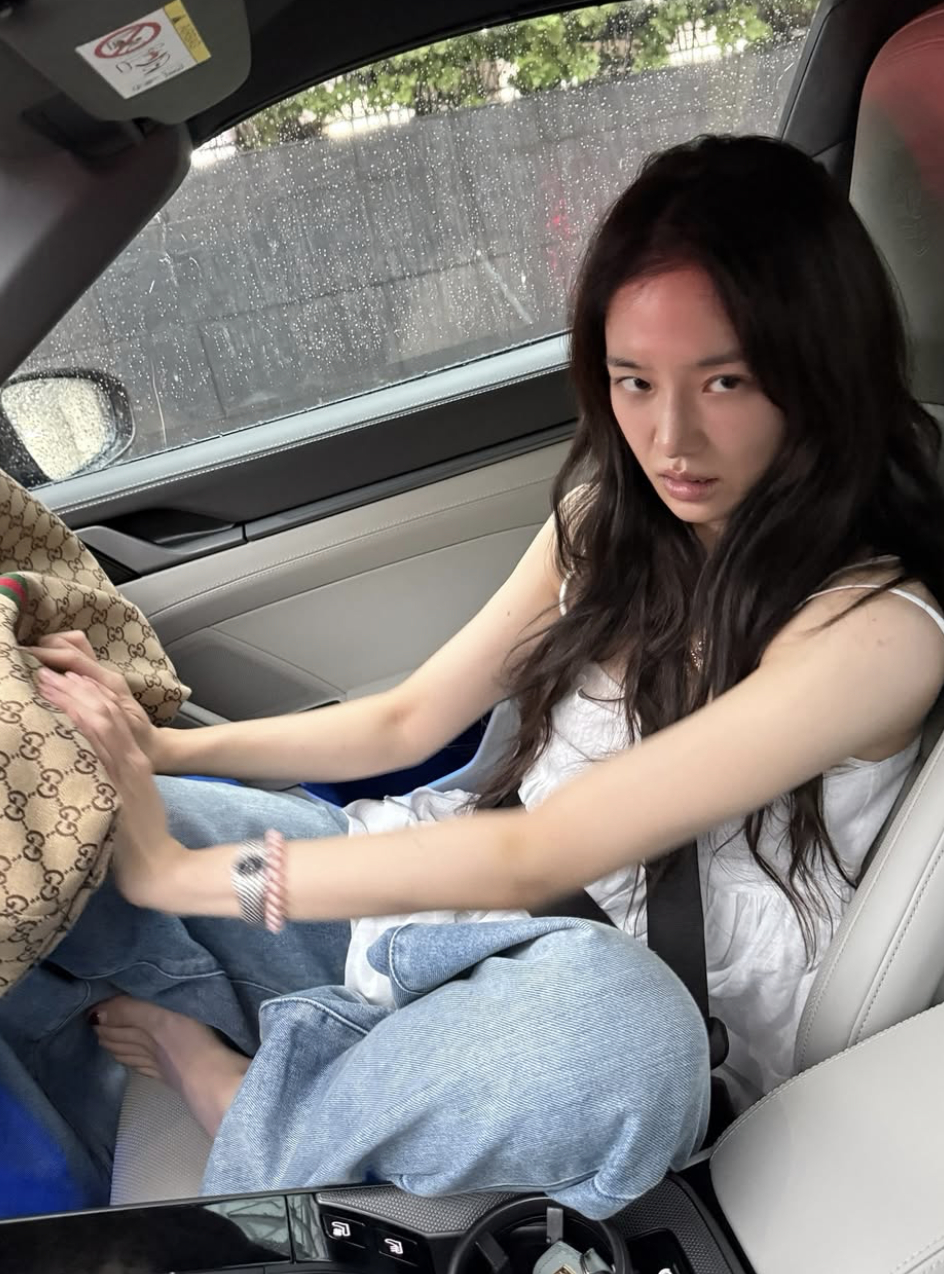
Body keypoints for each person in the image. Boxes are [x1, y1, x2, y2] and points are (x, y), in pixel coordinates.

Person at [11, 132, 944, 1219]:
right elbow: (407, 721)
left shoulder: (878, 632)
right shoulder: (607, 523)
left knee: (620, 1025)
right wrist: (157, 750)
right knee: (56, 817)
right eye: (633, 381)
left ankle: (258, 1102)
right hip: (427, 920)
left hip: (586, 1017)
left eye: (726, 381)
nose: (670, 437)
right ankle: (247, 1117)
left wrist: (183, 876)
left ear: (816, 373)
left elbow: (544, 852)